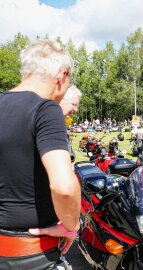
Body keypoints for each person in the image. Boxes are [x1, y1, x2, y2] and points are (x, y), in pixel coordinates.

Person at [0, 39, 80, 269]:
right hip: (33, 255)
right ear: (61, 75)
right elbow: (64, 187)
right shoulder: (45, 109)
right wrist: (70, 227)